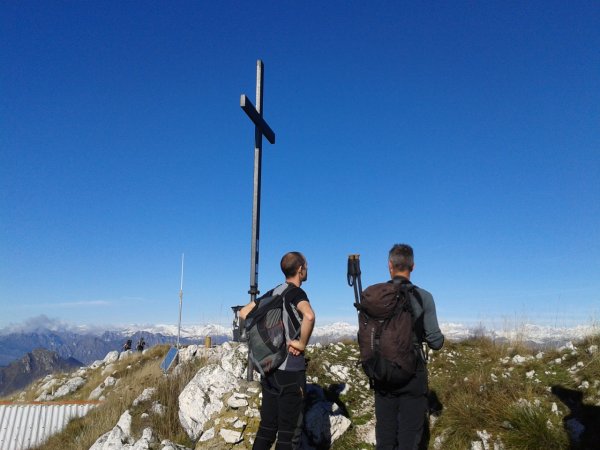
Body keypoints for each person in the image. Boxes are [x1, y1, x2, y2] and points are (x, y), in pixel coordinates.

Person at [239, 251, 316, 450]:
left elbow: (243, 312)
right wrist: (301, 343)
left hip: (270, 368)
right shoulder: (297, 293)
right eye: (305, 266)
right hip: (291, 370)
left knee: (266, 429)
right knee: (288, 436)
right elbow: (308, 316)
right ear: (300, 270)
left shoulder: (274, 291)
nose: (306, 270)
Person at [374, 244, 444, 450]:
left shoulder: (376, 297)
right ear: (412, 266)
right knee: (410, 436)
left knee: (385, 434)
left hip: (382, 372)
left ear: (389, 265)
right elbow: (436, 342)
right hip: (413, 373)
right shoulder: (424, 297)